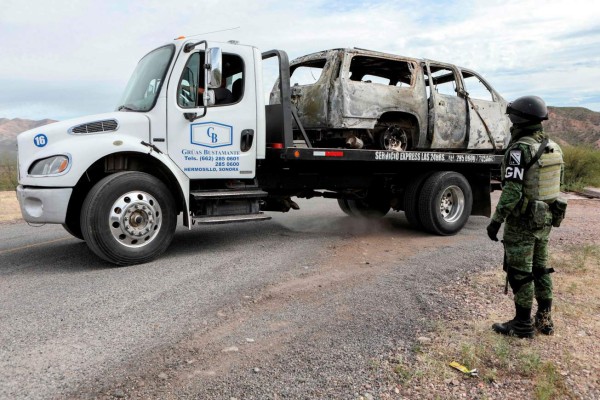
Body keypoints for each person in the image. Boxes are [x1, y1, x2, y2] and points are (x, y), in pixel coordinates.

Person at [486, 95, 566, 338]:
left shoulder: (519, 149)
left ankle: (522, 325)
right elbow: (558, 183)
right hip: (545, 218)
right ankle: (544, 320)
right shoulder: (553, 146)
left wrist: (496, 221)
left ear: (519, 121)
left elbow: (512, 190)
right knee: (541, 269)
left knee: (521, 272)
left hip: (523, 221)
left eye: (512, 119)